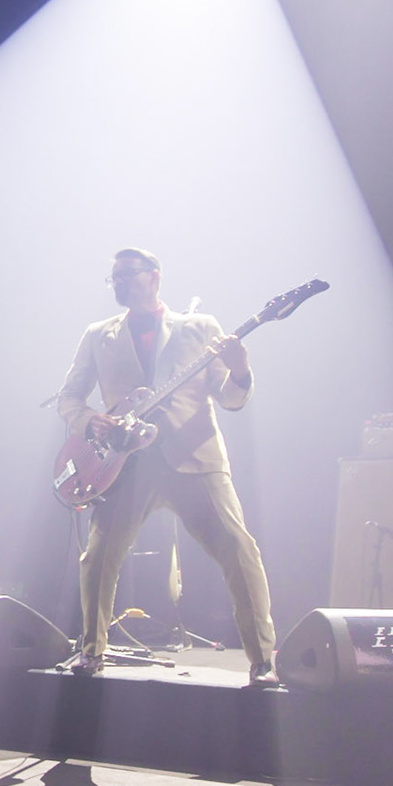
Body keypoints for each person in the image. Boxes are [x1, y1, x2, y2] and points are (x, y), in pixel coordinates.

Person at [54, 248, 279, 684]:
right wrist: (90, 421)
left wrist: (241, 369)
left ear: (153, 277)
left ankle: (263, 659)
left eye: (126, 276)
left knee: (239, 550)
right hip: (126, 465)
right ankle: (91, 653)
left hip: (194, 460)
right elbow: (68, 398)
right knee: (98, 558)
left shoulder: (200, 328)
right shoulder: (99, 334)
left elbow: (230, 400)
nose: (118, 283)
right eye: (113, 278)